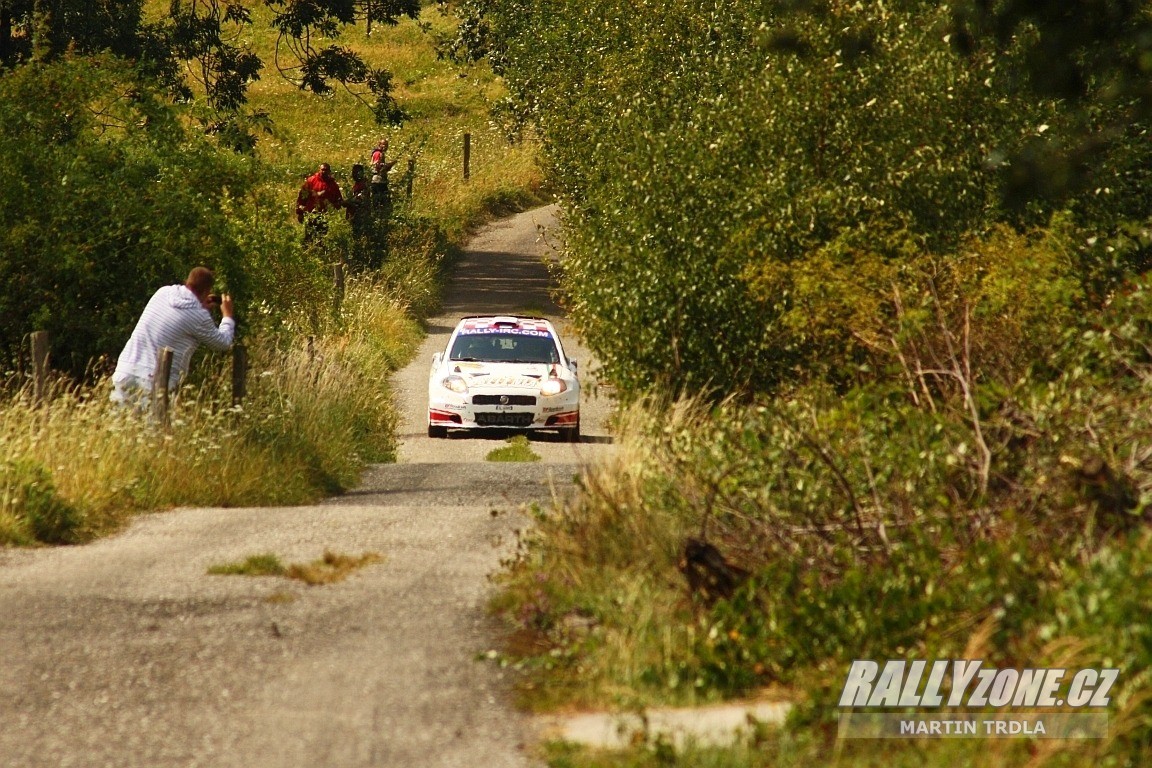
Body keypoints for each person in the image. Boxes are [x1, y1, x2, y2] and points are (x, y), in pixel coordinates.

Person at [110, 267, 236, 409]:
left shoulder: (163, 292)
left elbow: (180, 315)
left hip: (126, 370)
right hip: (153, 381)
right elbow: (223, 343)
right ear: (207, 291)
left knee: (121, 427)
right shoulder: (199, 316)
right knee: (153, 430)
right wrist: (228, 316)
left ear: (187, 281)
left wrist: (200, 305)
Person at [295, 163, 345, 241]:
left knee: (322, 239)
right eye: (322, 169)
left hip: (324, 216)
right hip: (311, 214)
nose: (324, 171)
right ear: (319, 170)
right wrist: (299, 212)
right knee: (309, 238)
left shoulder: (333, 185)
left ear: (329, 171)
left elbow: (338, 200)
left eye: (326, 170)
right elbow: (302, 196)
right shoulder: (311, 181)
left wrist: (337, 205)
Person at [370, 140, 397, 217]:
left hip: (380, 180)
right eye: (383, 145)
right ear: (379, 145)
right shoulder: (378, 154)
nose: (385, 147)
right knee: (382, 201)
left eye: (387, 145)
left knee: (381, 201)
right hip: (378, 181)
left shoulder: (379, 153)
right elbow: (377, 166)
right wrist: (390, 164)